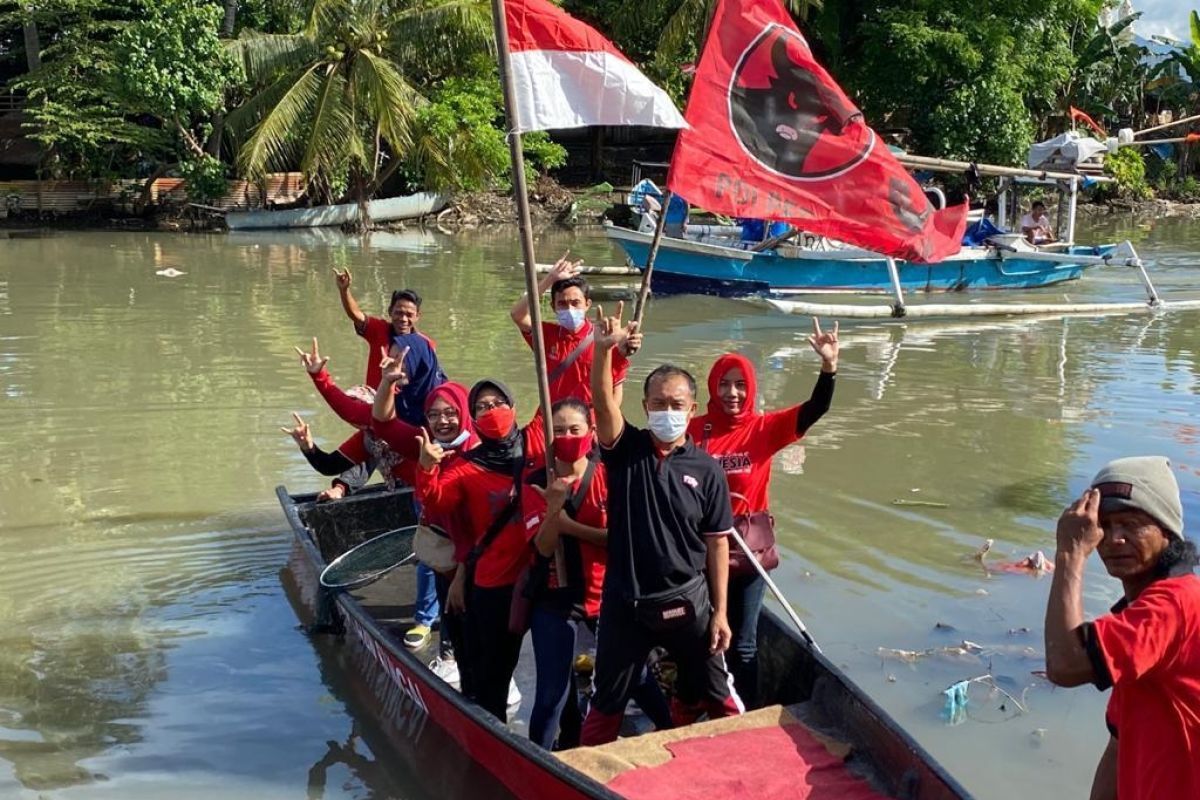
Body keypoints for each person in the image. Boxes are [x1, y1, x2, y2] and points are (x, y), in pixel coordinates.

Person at [580, 302, 743, 746]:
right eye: (657, 404)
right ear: (645, 406)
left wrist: (722, 613)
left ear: (692, 409)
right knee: (605, 707)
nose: (666, 411)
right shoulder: (625, 450)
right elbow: (600, 405)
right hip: (626, 604)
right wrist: (602, 351)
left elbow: (717, 546)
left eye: (676, 404)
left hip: (689, 601)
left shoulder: (708, 470)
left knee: (721, 699)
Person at [688, 317, 838, 707]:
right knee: (705, 637)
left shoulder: (763, 429)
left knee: (746, 644)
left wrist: (828, 367)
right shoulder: (694, 429)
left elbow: (815, 408)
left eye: (740, 385)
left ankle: (748, 713)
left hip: (750, 553)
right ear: (712, 388)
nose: (732, 393)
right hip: (704, 550)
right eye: (724, 384)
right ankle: (707, 702)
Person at [1043, 456, 1200, 800]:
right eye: (1105, 525)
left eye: (1131, 523)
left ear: (1167, 531)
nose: (1114, 539)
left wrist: (1070, 554)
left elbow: (1065, 665)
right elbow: (1119, 744)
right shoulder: (1139, 616)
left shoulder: (1174, 604)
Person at [415, 380, 543, 721]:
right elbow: (436, 502)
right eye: (482, 407)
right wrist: (426, 467)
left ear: (514, 406)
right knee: (494, 676)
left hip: (546, 577)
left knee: (556, 675)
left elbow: (568, 386)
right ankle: (493, 733)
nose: (492, 411)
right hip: (494, 584)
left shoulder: (537, 443)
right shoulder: (464, 466)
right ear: (473, 417)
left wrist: (608, 352)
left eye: (498, 402)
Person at [372, 366, 478, 678]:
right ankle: (449, 655)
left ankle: (489, 673)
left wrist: (463, 572)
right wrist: (387, 383)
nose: (442, 421)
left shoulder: (481, 451)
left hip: (474, 555)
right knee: (450, 607)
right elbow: (383, 424)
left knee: (475, 613)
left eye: (450, 413)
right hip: (444, 550)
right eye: (433, 415)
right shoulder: (426, 445)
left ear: (464, 412)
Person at [508, 255, 639, 408]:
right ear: (553, 307)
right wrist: (549, 279)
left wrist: (604, 423)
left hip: (587, 424)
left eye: (575, 303)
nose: (569, 309)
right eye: (562, 304)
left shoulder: (604, 338)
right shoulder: (546, 335)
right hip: (552, 420)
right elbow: (517, 314)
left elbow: (616, 388)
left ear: (588, 304)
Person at [332, 268, 437, 387]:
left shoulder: (425, 344)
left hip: (404, 404)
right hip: (373, 400)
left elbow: (429, 380)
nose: (403, 319)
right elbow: (356, 315)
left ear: (417, 316)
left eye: (409, 315)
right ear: (390, 311)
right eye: (398, 313)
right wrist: (344, 290)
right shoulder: (379, 330)